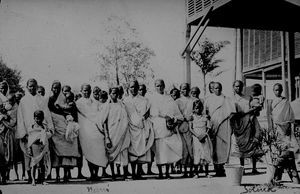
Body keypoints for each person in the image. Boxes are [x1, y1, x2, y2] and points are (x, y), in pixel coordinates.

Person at [16, 78, 54, 184]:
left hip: (41, 131)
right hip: (28, 132)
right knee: (28, 155)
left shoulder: (42, 99)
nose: (32, 88)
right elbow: (20, 117)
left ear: (37, 86)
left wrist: (48, 129)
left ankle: (41, 177)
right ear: (27, 87)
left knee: (41, 155)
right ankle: (30, 177)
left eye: (34, 86)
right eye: (30, 86)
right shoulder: (23, 101)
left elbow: (46, 114)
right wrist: (22, 133)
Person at [149, 79, 183, 179]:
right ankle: (160, 173)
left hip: (169, 128)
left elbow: (177, 113)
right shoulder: (152, 98)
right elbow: (152, 112)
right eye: (157, 86)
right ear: (155, 87)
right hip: (158, 127)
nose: (159, 88)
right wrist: (165, 117)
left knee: (168, 151)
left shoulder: (169, 99)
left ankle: (167, 173)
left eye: (161, 85)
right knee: (159, 151)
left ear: (164, 86)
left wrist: (173, 121)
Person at [266, 83, 300, 184]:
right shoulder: (270, 102)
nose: (278, 92)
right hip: (276, 129)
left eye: (279, 90)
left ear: (282, 90)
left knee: (287, 151)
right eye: (276, 90)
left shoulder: (285, 101)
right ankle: (278, 176)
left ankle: (292, 176)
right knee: (278, 152)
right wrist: (271, 130)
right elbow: (269, 117)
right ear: (273, 91)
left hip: (286, 129)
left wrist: (289, 128)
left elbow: (290, 116)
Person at [48, 81, 80, 183]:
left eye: (58, 88)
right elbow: (49, 112)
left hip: (65, 125)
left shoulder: (64, 98)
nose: (56, 90)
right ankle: (57, 175)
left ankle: (66, 175)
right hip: (55, 126)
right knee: (56, 152)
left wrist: (66, 116)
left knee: (66, 151)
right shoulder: (50, 99)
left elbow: (68, 110)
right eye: (54, 88)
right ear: (51, 88)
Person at [230, 80, 263, 175]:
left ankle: (254, 168)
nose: (238, 88)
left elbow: (256, 111)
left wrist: (256, 109)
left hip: (249, 123)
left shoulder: (248, 98)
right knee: (241, 146)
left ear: (242, 87)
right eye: (236, 86)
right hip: (238, 125)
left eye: (240, 86)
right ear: (233, 87)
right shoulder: (231, 99)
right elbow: (232, 114)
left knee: (253, 144)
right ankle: (242, 168)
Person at [97, 86, 130, 180]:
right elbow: (103, 122)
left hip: (123, 132)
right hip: (112, 133)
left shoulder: (122, 104)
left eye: (117, 93)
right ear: (110, 94)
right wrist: (107, 137)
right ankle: (113, 175)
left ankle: (124, 174)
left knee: (123, 151)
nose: (115, 95)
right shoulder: (107, 105)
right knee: (111, 154)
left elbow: (125, 117)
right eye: (113, 93)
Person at [123, 80, 155, 180]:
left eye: (135, 87)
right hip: (130, 128)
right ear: (128, 88)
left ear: (138, 88)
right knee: (132, 149)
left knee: (141, 148)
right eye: (131, 87)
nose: (133, 89)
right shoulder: (125, 100)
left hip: (141, 128)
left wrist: (141, 120)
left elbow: (147, 113)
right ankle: (132, 173)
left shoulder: (144, 100)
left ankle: (138, 173)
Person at [76, 84, 107, 181]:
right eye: (85, 90)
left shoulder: (95, 102)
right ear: (81, 91)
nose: (87, 92)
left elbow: (99, 115)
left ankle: (96, 174)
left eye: (88, 90)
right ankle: (91, 173)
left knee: (97, 152)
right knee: (88, 153)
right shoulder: (78, 103)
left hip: (96, 130)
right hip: (85, 131)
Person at [204, 82, 235, 177]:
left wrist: (229, 123)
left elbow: (232, 113)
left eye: (219, 88)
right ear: (212, 89)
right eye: (216, 88)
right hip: (213, 125)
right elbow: (205, 112)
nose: (218, 90)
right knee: (214, 147)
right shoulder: (208, 99)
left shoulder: (226, 99)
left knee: (223, 146)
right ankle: (216, 168)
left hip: (224, 125)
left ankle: (222, 168)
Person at [28, 110, 52, 186]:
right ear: (34, 118)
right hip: (34, 146)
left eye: (40, 118)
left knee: (42, 164)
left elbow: (49, 134)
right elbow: (30, 139)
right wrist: (29, 148)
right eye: (37, 118)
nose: (38, 120)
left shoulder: (44, 126)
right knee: (34, 164)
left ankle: (43, 180)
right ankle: (33, 180)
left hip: (43, 147)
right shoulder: (31, 127)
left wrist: (44, 134)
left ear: (42, 118)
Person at [189, 100, 212, 177]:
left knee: (205, 153)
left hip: (204, 137)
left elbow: (209, 127)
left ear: (202, 108)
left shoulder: (205, 117)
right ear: (193, 108)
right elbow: (191, 128)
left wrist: (205, 134)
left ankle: (206, 173)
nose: (198, 109)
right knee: (197, 153)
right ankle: (196, 173)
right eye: (196, 108)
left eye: (199, 108)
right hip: (196, 138)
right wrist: (197, 136)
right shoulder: (192, 117)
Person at [176, 83, 194, 177]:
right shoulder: (177, 101)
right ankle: (183, 171)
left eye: (187, 89)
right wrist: (183, 118)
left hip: (191, 127)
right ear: (180, 90)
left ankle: (191, 170)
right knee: (183, 149)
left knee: (191, 148)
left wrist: (191, 118)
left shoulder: (193, 100)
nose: (185, 91)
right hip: (180, 127)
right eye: (183, 89)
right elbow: (175, 114)